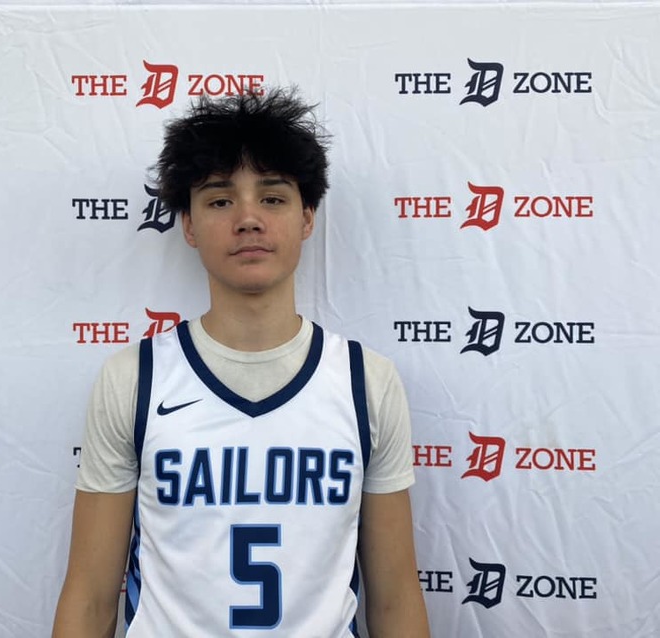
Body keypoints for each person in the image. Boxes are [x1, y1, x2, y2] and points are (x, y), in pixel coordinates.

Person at [52, 88, 429, 638]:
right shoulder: (135, 378)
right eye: (220, 201)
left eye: (272, 198)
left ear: (307, 217)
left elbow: (394, 599)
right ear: (187, 224)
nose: (249, 219)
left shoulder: (364, 380)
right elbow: (89, 596)